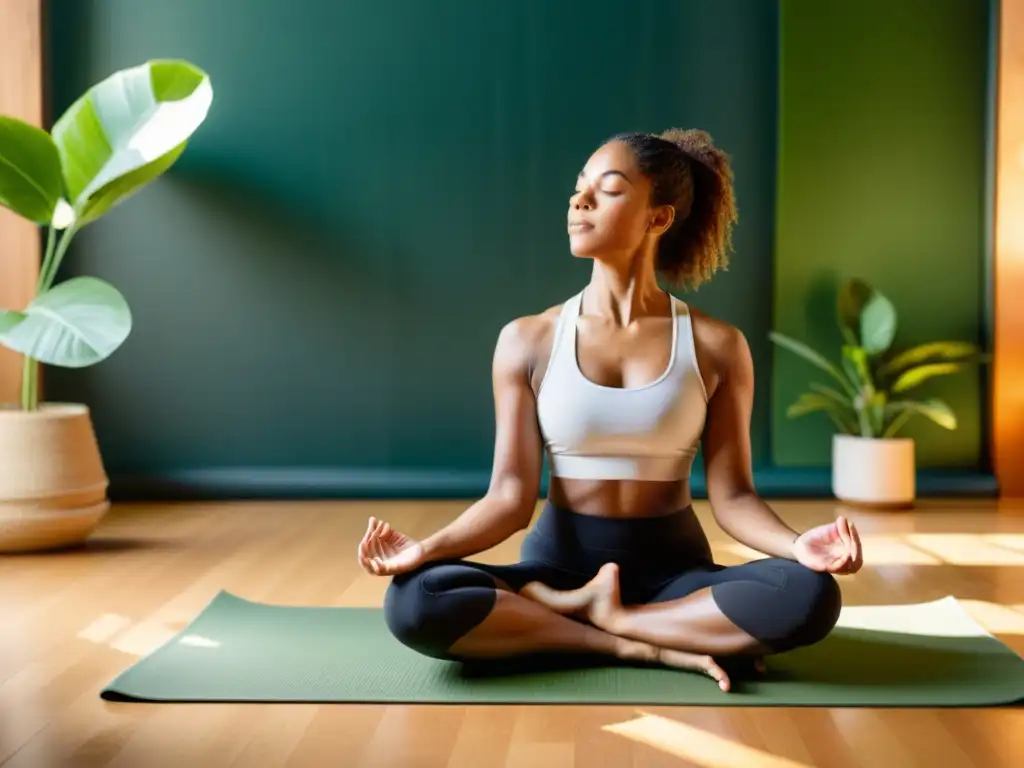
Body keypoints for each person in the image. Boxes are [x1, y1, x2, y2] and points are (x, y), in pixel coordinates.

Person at [356, 128, 863, 692]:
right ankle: (632, 640)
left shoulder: (718, 345)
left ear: (658, 218)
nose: (580, 201)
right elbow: (508, 498)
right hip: (557, 569)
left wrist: (799, 546)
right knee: (415, 600)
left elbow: (735, 497)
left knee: (811, 595)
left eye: (609, 189)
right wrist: (426, 550)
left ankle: (603, 618)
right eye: (579, 190)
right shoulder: (529, 339)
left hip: (675, 573)